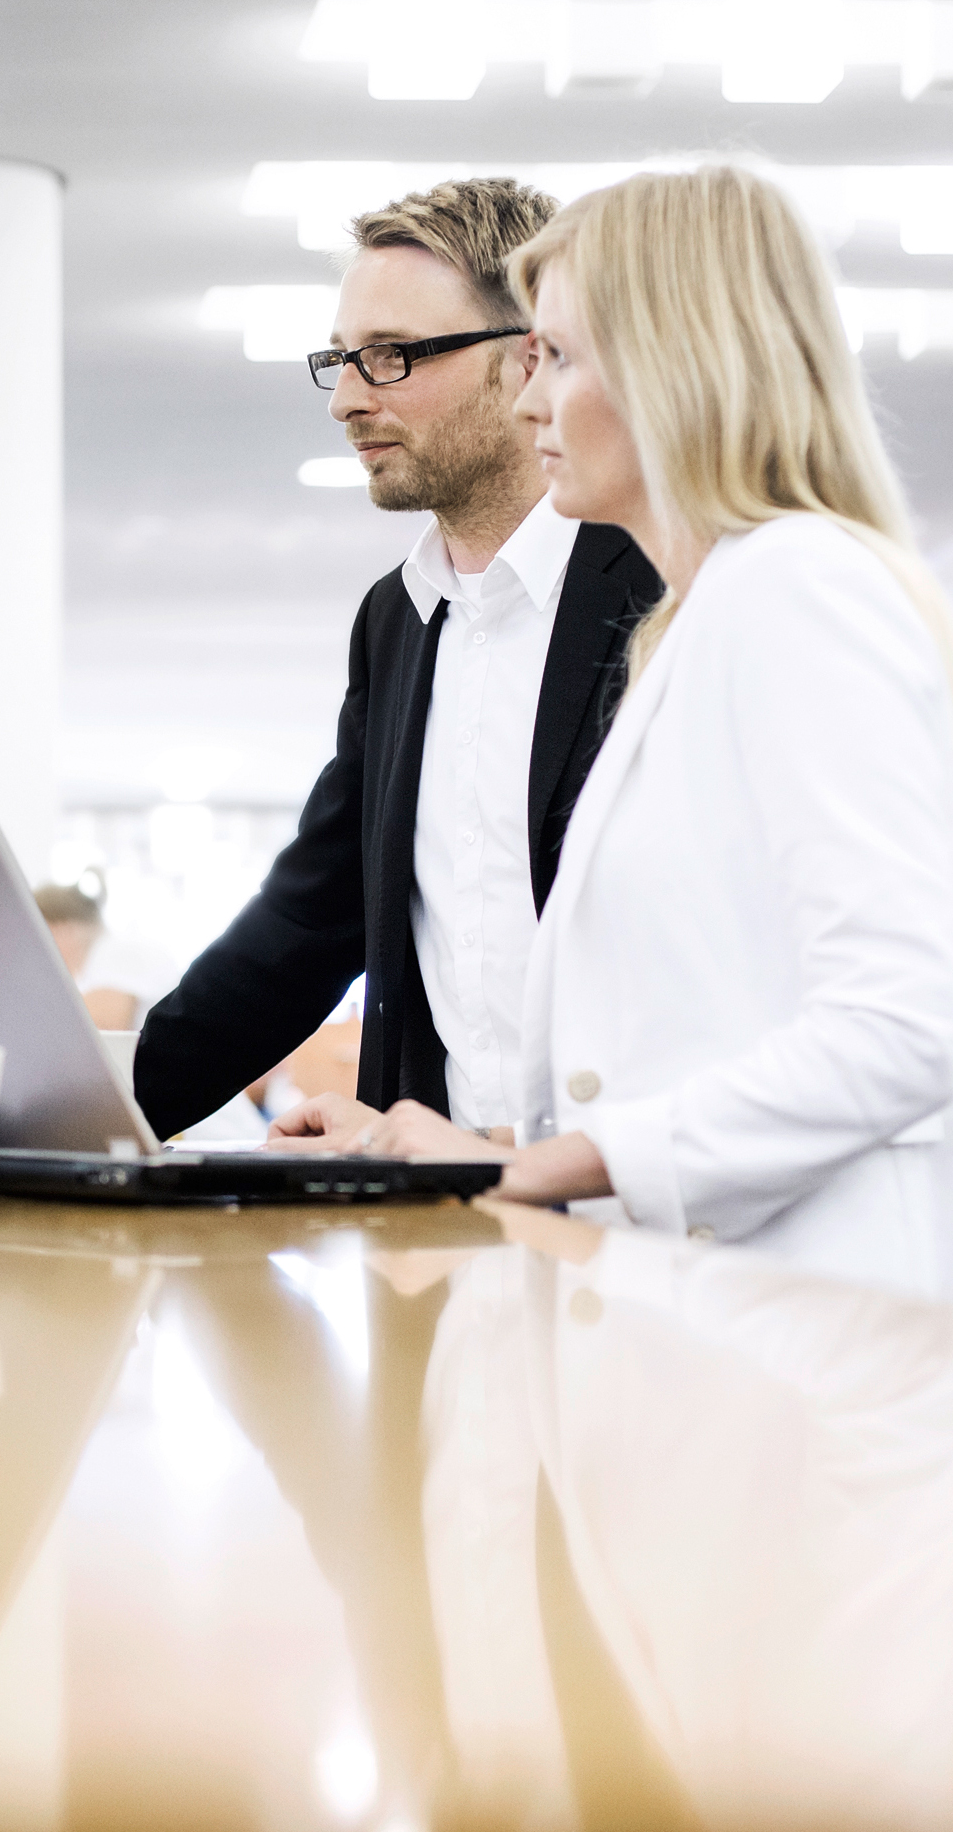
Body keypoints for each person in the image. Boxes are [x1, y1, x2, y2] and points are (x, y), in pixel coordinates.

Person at [357, 166, 953, 1288]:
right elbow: (691, 1038)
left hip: (811, 1339)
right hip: (708, 1329)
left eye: (561, 358)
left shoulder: (798, 589)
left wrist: (557, 1164)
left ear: (680, 367)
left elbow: (909, 1022)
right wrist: (492, 1154)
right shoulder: (694, 619)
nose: (530, 400)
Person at [133, 179, 661, 1143]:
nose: (344, 399)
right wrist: (101, 1116)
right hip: (444, 1225)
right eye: (341, 359)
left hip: (639, 1211)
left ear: (525, 359)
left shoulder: (663, 587)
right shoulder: (398, 621)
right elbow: (307, 923)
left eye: (390, 358)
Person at [33, 881, 179, 1031]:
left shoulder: (113, 953)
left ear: (62, 928)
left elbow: (93, 1032)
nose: (36, 954)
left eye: (35, 936)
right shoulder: (103, 958)